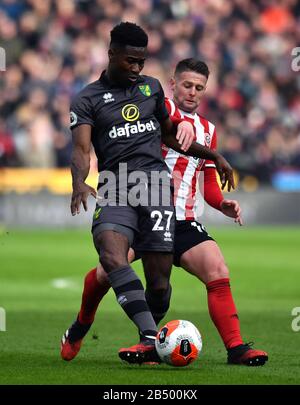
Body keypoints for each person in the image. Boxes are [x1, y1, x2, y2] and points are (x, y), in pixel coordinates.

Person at [61, 56, 268, 366]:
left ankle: (236, 348)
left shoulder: (209, 130)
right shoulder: (154, 106)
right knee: (107, 272)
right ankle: (81, 325)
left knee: (217, 270)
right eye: (187, 85)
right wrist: (179, 123)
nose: (193, 92)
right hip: (144, 212)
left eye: (199, 88)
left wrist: (219, 202)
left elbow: (206, 177)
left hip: (182, 219)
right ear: (173, 84)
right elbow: (168, 124)